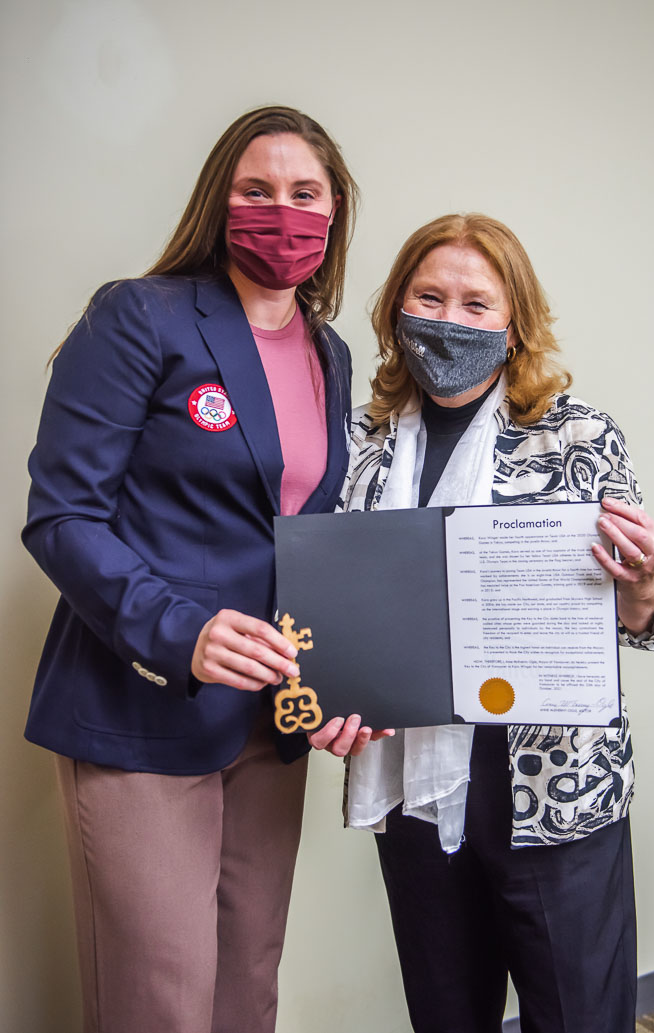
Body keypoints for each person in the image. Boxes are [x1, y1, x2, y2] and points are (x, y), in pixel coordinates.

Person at [22, 105, 359, 1033]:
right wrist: (185, 632)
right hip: (142, 706)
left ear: (334, 216)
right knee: (160, 998)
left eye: (304, 194)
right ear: (221, 200)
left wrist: (344, 680)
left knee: (248, 980)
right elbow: (62, 515)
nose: (280, 212)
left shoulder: (328, 353)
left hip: (272, 714)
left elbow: (312, 535)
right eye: (258, 190)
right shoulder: (142, 315)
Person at [329, 213, 654, 1033]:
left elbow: (646, 617)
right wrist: (323, 689)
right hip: (414, 790)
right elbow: (334, 606)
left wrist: (646, 581)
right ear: (396, 308)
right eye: (429, 295)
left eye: (477, 303)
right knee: (446, 1014)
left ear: (514, 322)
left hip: (550, 789)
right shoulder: (361, 441)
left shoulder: (576, 435)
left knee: (579, 1016)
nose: (449, 319)